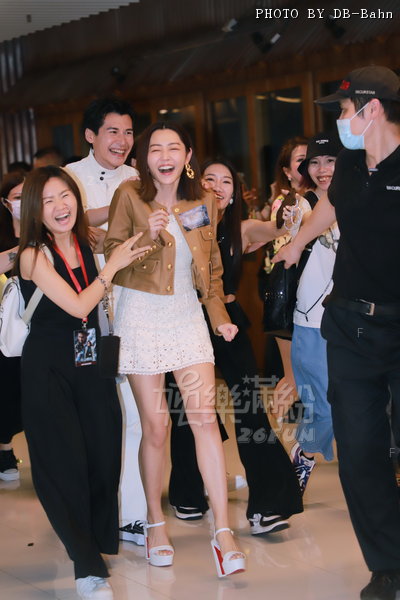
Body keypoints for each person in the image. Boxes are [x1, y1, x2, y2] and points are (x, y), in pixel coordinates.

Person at [273, 65, 400, 600]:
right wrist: (299, 242)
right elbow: (331, 204)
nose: (340, 121)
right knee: (360, 451)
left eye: (345, 111)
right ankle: (387, 565)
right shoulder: (349, 162)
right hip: (349, 325)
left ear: (373, 110)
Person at [104, 122, 246, 577]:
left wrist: (220, 318)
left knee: (205, 420)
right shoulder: (129, 195)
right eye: (155, 149)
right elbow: (112, 260)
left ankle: (222, 532)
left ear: (187, 156)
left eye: (174, 148)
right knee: (157, 427)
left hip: (187, 319)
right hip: (141, 316)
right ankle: (154, 522)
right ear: (143, 158)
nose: (164, 156)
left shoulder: (204, 200)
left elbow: (211, 268)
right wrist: (146, 236)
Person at [16, 165, 150, 599]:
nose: (60, 206)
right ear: (35, 210)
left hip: (90, 363)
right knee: (64, 465)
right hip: (48, 370)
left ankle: (92, 542)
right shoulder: (32, 255)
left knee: (103, 454)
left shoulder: (85, 242)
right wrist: (111, 268)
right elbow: (77, 305)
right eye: (48, 200)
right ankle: (86, 565)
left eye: (66, 195)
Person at [168, 157, 303, 533]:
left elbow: (276, 227)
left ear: (235, 192)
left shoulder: (241, 229)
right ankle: (188, 492)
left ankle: (268, 505)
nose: (216, 186)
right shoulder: (184, 222)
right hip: (188, 322)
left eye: (225, 181)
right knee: (185, 407)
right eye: (209, 178)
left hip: (228, 321)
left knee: (249, 406)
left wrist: (291, 206)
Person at [65, 97, 147, 547]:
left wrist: (100, 229)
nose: (122, 140)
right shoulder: (69, 179)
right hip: (85, 315)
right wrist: (112, 214)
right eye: (113, 131)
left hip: (131, 310)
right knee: (91, 415)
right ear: (90, 135)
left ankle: (132, 515)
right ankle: (91, 514)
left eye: (128, 132)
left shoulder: (138, 178)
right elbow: (69, 229)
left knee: (135, 412)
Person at [285, 133, 341, 494]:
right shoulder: (302, 205)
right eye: (315, 163)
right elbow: (293, 225)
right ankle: (304, 453)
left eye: (330, 160)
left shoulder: (357, 200)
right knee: (326, 406)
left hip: (355, 319)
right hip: (311, 320)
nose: (322, 169)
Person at [265, 137, 308, 420]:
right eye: (300, 160)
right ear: (287, 170)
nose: (308, 166)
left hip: (311, 297)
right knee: (293, 376)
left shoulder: (316, 199)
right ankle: (273, 429)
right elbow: (284, 246)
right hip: (289, 293)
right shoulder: (286, 203)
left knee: (304, 374)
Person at [0, 172, 24, 481]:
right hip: (6, 326)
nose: (23, 203)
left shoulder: (46, 228)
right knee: (7, 386)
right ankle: (4, 448)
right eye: (17, 198)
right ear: (6, 203)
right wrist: (27, 248)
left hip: (41, 323)